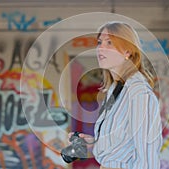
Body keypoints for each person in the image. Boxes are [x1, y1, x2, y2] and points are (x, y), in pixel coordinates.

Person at [69, 21, 163, 169]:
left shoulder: (138, 93)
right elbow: (123, 145)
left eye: (110, 43)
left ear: (127, 52)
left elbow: (147, 154)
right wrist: (93, 142)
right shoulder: (116, 90)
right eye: (99, 42)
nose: (101, 48)